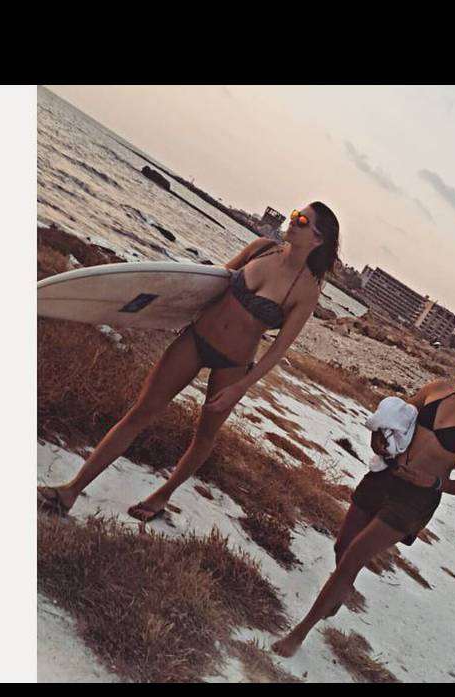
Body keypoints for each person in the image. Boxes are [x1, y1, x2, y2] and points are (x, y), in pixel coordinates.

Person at [38, 203, 340, 521]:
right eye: (294, 215)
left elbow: (278, 349)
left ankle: (162, 496)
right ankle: (71, 491)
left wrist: (240, 387)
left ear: (317, 239)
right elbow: (206, 285)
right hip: (195, 339)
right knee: (141, 411)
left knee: (204, 435)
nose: (293, 221)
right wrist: (157, 311)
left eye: (302, 220)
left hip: (233, 364)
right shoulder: (261, 249)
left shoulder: (306, 291)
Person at [271, 348, 455, 657]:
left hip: (414, 500)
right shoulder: (437, 390)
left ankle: (299, 633)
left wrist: (434, 482)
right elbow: (395, 420)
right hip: (385, 475)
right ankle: (338, 591)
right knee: (342, 547)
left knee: (353, 557)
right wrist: (378, 438)